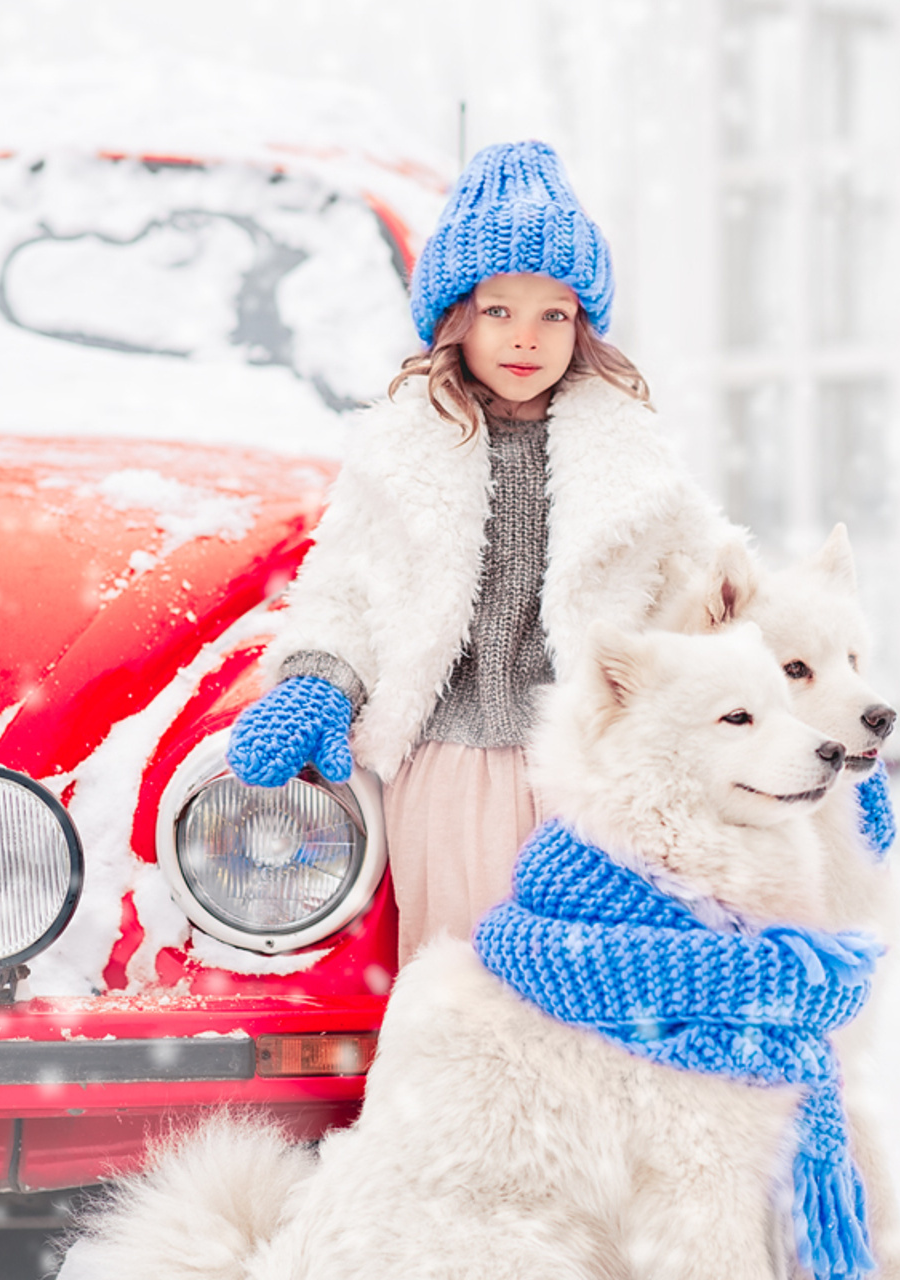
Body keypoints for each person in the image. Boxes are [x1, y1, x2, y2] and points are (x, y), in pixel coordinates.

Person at [225, 139, 749, 965]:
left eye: (554, 315)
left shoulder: (633, 460)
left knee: (587, 980)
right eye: (499, 311)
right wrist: (319, 683)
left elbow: (725, 597)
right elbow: (345, 592)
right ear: (456, 318)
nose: (526, 338)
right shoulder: (401, 454)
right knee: (461, 975)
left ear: (583, 326)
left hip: (596, 768)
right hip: (451, 767)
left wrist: (808, 713)